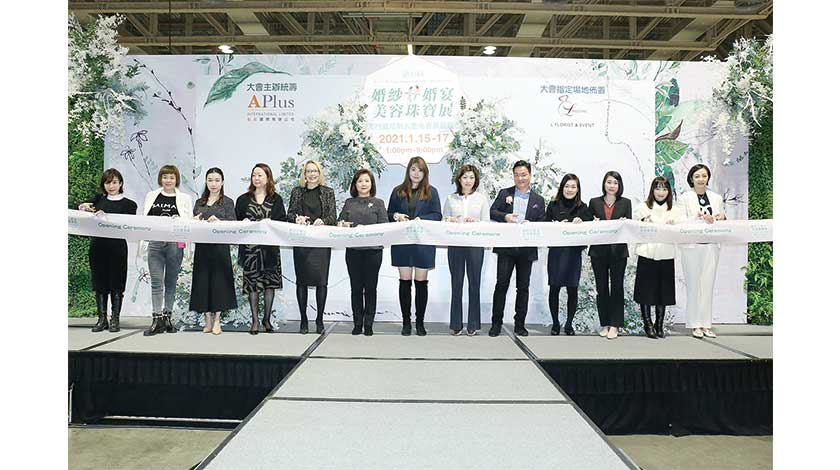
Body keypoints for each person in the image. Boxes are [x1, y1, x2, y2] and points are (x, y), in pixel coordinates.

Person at [489, 160, 546, 337]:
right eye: (517, 175)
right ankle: (496, 323)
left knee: (523, 288)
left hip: (526, 249)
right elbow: (492, 212)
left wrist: (532, 224)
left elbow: (543, 222)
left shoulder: (538, 200)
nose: (520, 178)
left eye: (523, 174)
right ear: (513, 176)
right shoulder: (504, 193)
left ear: (530, 175)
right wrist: (505, 216)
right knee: (501, 285)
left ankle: (519, 324)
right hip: (506, 248)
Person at [387, 156, 442, 336]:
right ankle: (406, 322)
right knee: (404, 283)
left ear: (425, 173)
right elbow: (388, 213)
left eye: (420, 170)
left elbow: (437, 215)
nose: (416, 173)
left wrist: (421, 219)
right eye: (413, 169)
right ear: (408, 171)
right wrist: (396, 216)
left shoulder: (432, 192)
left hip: (423, 243)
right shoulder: (398, 191)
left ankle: (419, 322)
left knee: (421, 283)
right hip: (402, 243)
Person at [78, 169, 138, 333]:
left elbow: (129, 225)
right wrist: (82, 207)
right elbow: (78, 209)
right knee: (100, 283)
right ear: (103, 184)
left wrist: (107, 217)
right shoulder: (97, 200)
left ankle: (115, 319)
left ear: (120, 183)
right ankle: (102, 318)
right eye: (107, 183)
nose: (111, 186)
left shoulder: (129, 204)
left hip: (117, 248)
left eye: (114, 182)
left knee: (117, 283)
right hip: (98, 247)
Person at [235, 163, 287, 335]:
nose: (256, 178)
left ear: (268, 178)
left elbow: (282, 221)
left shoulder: (276, 199)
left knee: (269, 285)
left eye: (260, 175)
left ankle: (267, 319)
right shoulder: (243, 199)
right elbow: (235, 222)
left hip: (270, 249)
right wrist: (242, 223)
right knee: (252, 285)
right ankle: (255, 320)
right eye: (254, 175)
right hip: (250, 250)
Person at [142, 165, 194, 336]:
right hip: (155, 243)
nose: (168, 180)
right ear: (160, 179)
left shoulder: (185, 198)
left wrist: (179, 220)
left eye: (171, 177)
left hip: (175, 244)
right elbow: (145, 219)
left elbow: (189, 221)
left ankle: (168, 318)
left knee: (171, 282)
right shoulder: (151, 196)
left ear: (176, 179)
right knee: (156, 282)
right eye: (165, 177)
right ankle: (157, 319)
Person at [675, 164, 726, 339]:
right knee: (694, 286)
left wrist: (721, 217)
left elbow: (721, 218)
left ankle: (706, 324)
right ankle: (695, 324)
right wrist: (696, 218)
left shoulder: (716, 198)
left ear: (708, 178)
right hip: (691, 247)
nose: (701, 179)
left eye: (704, 176)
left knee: (707, 286)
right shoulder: (684, 198)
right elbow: (679, 220)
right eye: (697, 176)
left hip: (711, 246)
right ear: (691, 178)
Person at [337, 169, 388, 336]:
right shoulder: (349, 202)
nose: (363, 184)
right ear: (355, 184)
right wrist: (343, 224)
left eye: (367, 181)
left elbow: (385, 225)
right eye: (360, 181)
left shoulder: (378, 203)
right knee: (356, 288)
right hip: (353, 252)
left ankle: (369, 324)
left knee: (371, 288)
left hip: (373, 253)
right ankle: (357, 323)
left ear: (371, 184)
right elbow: (339, 222)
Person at [288, 160, 336, 335]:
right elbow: (289, 214)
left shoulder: (328, 192)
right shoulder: (297, 191)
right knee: (301, 282)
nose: (312, 174)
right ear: (304, 174)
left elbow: (333, 217)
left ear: (319, 173)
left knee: (321, 282)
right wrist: (297, 218)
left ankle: (319, 320)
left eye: (315, 171)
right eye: (308, 171)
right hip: (302, 243)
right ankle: (303, 320)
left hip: (321, 244)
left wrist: (323, 221)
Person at [442, 164, 490, 336]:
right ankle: (456, 323)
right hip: (455, 245)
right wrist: (450, 220)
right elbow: (443, 220)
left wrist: (476, 223)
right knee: (456, 283)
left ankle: (473, 323)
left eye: (471, 177)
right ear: (459, 179)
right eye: (465, 177)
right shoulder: (451, 198)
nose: (468, 181)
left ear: (475, 180)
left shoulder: (481, 199)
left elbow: (487, 223)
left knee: (474, 283)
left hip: (475, 245)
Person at [543, 173, 592, 336]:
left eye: (573, 187)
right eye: (567, 186)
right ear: (562, 188)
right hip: (556, 254)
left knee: (573, 289)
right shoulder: (553, 205)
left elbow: (589, 231)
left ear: (578, 189)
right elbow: (544, 226)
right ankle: (556, 323)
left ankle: (569, 324)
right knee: (554, 288)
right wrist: (557, 226)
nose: (570, 189)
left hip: (573, 255)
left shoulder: (583, 207)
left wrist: (581, 223)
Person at [634, 176, 683, 339]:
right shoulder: (642, 208)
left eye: (664, 189)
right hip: (647, 253)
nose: (661, 192)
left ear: (669, 191)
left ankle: (659, 324)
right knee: (645, 290)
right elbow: (633, 228)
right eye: (657, 188)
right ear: (652, 190)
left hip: (666, 254)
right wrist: (643, 222)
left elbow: (683, 231)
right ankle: (647, 324)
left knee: (664, 290)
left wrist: (674, 227)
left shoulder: (675, 211)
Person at [189, 168, 237, 335]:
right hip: (202, 248)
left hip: (220, 248)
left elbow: (233, 223)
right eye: (210, 180)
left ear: (222, 182)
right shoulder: (199, 202)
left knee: (219, 284)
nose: (213, 184)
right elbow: (191, 224)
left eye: (217, 180)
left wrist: (219, 221)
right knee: (202, 283)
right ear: (206, 182)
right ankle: (207, 320)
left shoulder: (228, 202)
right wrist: (194, 221)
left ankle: (217, 320)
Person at [588, 171, 632, 340]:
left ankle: (615, 324)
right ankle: (604, 323)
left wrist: (624, 223)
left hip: (618, 252)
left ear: (619, 185)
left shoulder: (625, 202)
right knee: (601, 288)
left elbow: (629, 226)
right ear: (604, 184)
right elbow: (587, 225)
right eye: (609, 182)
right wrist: (593, 224)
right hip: (598, 252)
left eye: (615, 182)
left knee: (617, 288)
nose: (612, 185)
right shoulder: (594, 202)